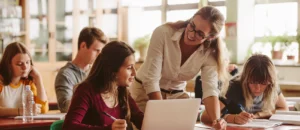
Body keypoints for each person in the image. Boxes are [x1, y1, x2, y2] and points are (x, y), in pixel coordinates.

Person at [129, 6, 228, 129]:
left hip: (176, 97)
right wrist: (160, 114)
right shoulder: (163, 33)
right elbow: (151, 80)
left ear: (210, 37)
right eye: (192, 26)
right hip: (144, 93)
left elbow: (210, 90)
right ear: (190, 20)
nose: (191, 34)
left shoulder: (211, 52)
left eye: (200, 34)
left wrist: (216, 121)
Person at [63, 41, 144, 130]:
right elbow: (69, 126)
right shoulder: (86, 90)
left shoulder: (122, 91)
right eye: (129, 68)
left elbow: (140, 119)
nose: (134, 73)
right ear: (113, 70)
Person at [201, 54, 288, 125]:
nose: (257, 88)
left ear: (270, 81)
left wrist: (260, 115)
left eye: (263, 83)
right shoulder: (233, 87)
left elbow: (284, 108)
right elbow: (204, 117)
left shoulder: (271, 85)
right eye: (253, 82)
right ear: (245, 79)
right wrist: (232, 118)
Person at [55, 27, 108, 113]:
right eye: (96, 50)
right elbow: (65, 107)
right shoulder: (65, 75)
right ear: (83, 46)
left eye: (101, 52)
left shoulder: (97, 72)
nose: (99, 55)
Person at [0, 42, 48, 116]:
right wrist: (21, 111)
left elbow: (43, 109)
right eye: (19, 64)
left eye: (27, 62)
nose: (25, 67)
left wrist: (38, 78)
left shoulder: (28, 83)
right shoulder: (1, 81)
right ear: (8, 65)